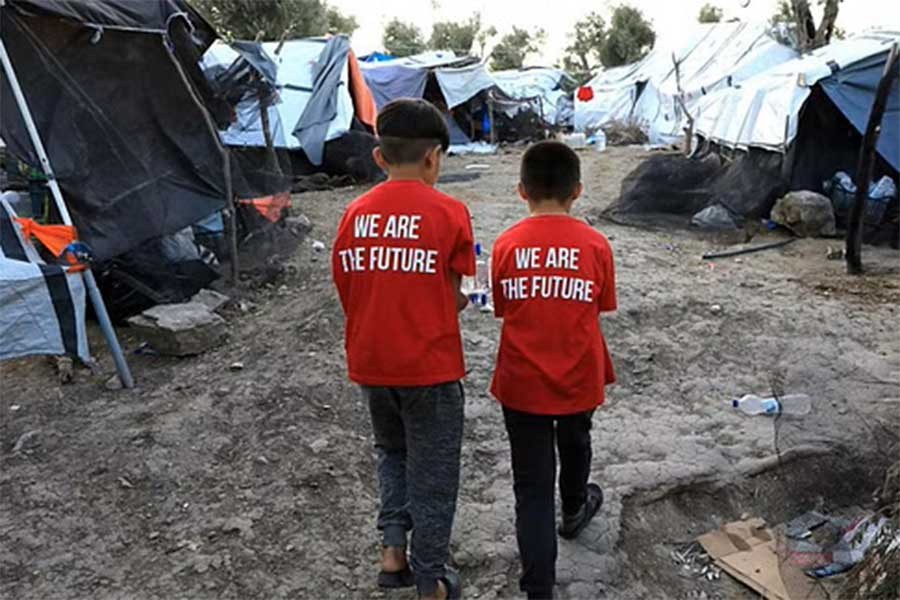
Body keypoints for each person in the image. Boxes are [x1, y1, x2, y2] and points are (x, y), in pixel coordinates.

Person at [331, 99, 475, 600]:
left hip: (372, 363)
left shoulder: (353, 213)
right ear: (434, 158)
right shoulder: (451, 212)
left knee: (391, 450)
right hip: (430, 368)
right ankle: (432, 578)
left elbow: (348, 288)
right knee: (434, 472)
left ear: (379, 157)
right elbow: (454, 294)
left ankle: (393, 552)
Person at [490, 141, 617, 600]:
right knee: (577, 439)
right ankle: (575, 507)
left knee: (531, 487)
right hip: (579, 373)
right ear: (577, 191)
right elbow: (601, 305)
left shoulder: (506, 244)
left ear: (521, 190)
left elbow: (502, 309)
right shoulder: (596, 244)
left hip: (522, 380)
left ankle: (539, 589)